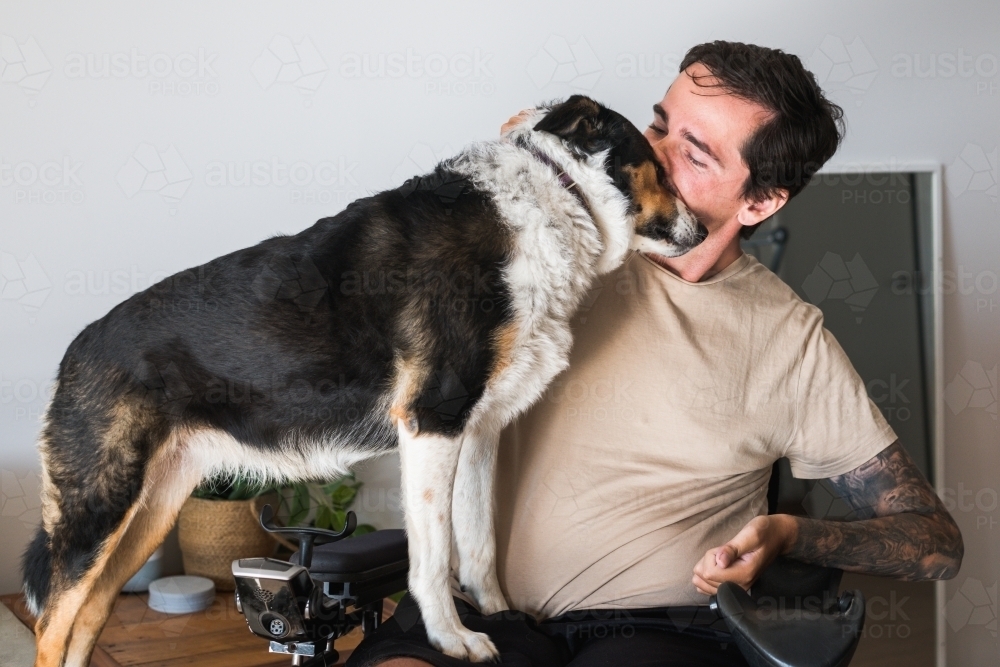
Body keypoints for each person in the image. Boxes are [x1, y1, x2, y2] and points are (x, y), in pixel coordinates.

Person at [347, 41, 964, 667]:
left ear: (761, 201)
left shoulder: (791, 343)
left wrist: (790, 533)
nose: (650, 156)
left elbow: (934, 541)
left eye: (693, 153)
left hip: (653, 634)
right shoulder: (548, 242)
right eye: (658, 126)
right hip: (471, 613)